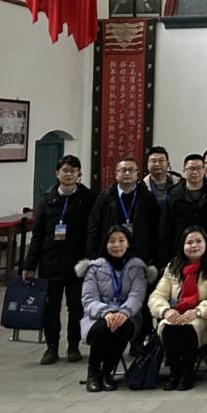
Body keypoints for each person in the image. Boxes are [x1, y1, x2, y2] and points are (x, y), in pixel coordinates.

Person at [23, 154, 96, 365]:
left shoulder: (88, 198)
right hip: (51, 261)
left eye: (73, 171)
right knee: (51, 307)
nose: (69, 174)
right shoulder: (47, 199)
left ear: (79, 174)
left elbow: (92, 231)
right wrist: (29, 265)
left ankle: (73, 345)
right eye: (65, 170)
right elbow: (38, 235)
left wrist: (91, 260)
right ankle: (51, 346)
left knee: (76, 307)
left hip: (77, 263)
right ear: (57, 173)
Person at [148, 226, 207, 391]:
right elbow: (156, 296)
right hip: (177, 312)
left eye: (198, 241)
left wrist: (197, 311)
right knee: (169, 327)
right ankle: (174, 372)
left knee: (188, 329)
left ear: (206, 243)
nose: (194, 246)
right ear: (182, 245)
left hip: (203, 316)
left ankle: (187, 373)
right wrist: (166, 311)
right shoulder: (173, 266)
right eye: (189, 242)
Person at [79, 226, 149, 392]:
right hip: (97, 316)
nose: (116, 245)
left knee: (122, 327)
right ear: (105, 244)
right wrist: (106, 312)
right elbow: (89, 299)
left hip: (128, 315)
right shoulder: (94, 267)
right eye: (112, 241)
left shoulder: (137, 267)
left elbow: (137, 295)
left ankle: (107, 372)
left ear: (128, 243)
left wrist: (124, 312)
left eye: (121, 240)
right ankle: (93, 373)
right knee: (103, 328)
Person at [87, 156, 160, 266]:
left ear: (137, 174)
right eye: (123, 170)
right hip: (110, 257)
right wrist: (93, 257)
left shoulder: (148, 199)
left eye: (131, 170)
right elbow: (94, 229)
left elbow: (156, 230)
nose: (127, 173)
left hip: (141, 257)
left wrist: (153, 259)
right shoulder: (104, 199)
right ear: (116, 174)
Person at [160, 154, 207, 266]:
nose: (195, 172)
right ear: (184, 172)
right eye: (191, 169)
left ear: (204, 170)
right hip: (180, 250)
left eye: (199, 168)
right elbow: (165, 228)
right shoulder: (173, 195)